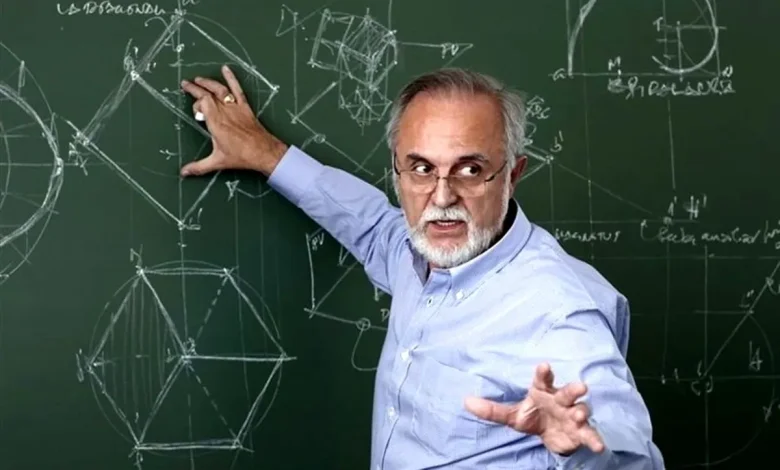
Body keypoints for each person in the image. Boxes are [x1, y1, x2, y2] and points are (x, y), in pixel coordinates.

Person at [179, 65, 665, 469]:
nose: (442, 197)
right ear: (398, 170)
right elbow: (370, 224)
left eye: (470, 170)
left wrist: (584, 448)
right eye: (422, 168)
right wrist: (264, 152)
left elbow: (632, 452)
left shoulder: (558, 309)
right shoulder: (420, 253)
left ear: (512, 175)